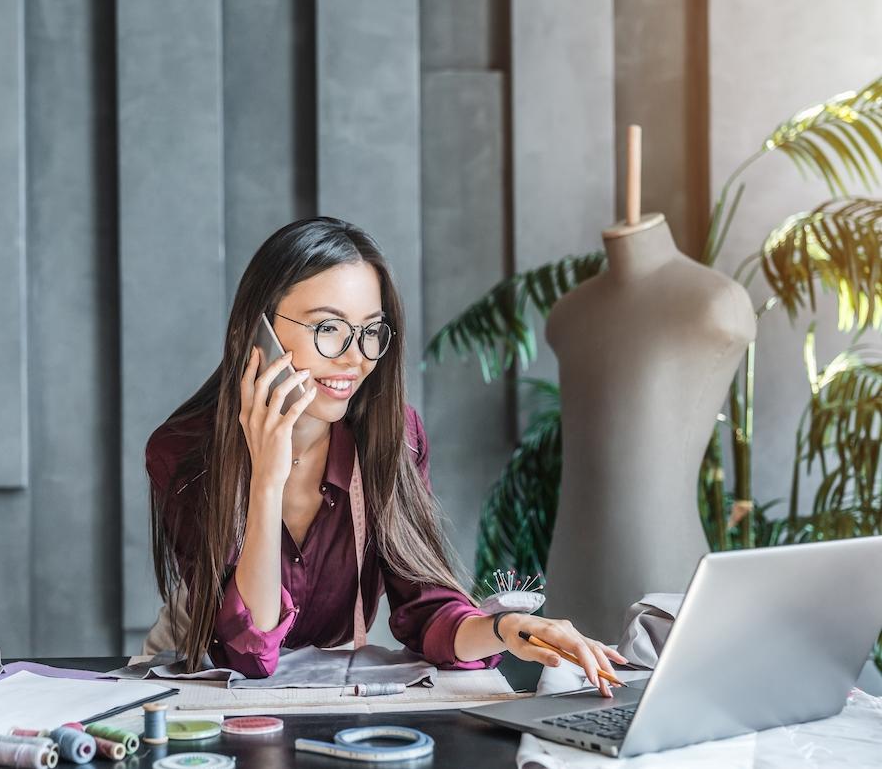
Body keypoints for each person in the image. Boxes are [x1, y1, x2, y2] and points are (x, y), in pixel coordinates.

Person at [145, 217, 625, 694]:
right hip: (201, 696)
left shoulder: (391, 436)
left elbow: (427, 609)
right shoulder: (184, 453)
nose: (355, 358)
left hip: (325, 694)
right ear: (257, 333)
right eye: (328, 328)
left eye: (370, 331)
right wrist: (267, 479)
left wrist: (509, 628)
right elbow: (248, 654)